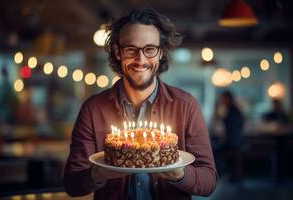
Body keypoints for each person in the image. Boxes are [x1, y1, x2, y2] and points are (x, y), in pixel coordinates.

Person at [64, 8, 217, 200]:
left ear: (160, 53)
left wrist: (179, 174)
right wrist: (99, 173)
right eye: (131, 49)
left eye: (150, 49)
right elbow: (72, 184)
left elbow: (209, 181)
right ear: (118, 52)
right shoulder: (93, 109)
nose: (141, 59)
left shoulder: (186, 105)